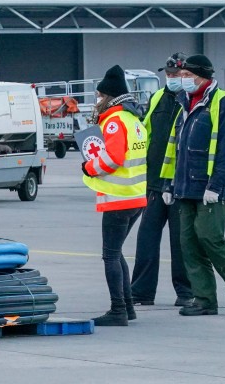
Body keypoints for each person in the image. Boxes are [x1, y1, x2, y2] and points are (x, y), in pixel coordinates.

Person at [159, 54, 225, 316]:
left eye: (188, 76)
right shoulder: (185, 103)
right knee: (188, 242)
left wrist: (217, 184)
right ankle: (204, 299)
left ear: (203, 77)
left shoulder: (222, 102)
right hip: (185, 186)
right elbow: (175, 149)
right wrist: (168, 184)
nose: (184, 79)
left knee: (209, 236)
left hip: (211, 187)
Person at [81, 65, 148, 327]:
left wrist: (89, 166)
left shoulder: (114, 122)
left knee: (110, 255)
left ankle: (118, 310)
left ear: (109, 96)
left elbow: (113, 158)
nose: (97, 101)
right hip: (136, 197)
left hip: (118, 197)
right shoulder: (134, 120)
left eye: (99, 96)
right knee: (117, 253)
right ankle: (128, 307)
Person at [130, 53, 194, 307]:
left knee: (181, 242)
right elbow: (145, 133)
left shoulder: (194, 102)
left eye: (176, 75)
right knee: (146, 239)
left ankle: (186, 292)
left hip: (181, 184)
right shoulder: (158, 97)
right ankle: (141, 292)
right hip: (155, 182)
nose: (171, 78)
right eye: (168, 74)